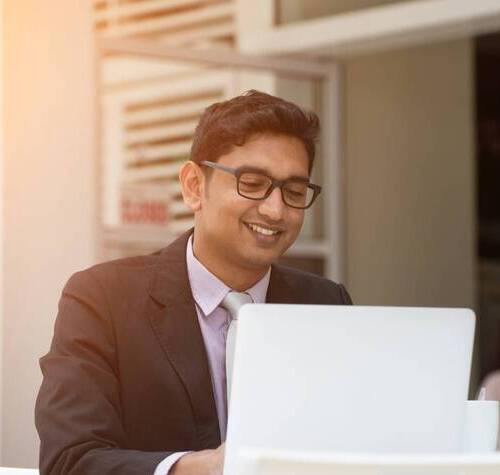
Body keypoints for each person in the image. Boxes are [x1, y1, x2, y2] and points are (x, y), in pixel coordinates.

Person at [35, 90, 353, 475]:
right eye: (252, 183)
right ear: (193, 186)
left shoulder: (325, 304)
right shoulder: (102, 299)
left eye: (294, 192)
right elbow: (70, 460)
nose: (275, 210)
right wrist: (202, 468)